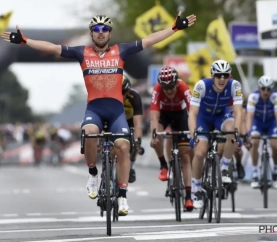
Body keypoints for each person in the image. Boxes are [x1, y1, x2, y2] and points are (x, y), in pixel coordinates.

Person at [1, 12, 196, 216]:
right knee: (90, 131)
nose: (100, 33)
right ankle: (93, 173)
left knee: (123, 146)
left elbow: (149, 40)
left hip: (116, 111)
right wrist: (24, 41)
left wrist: (174, 28)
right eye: (96, 30)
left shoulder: (121, 50)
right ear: (91, 34)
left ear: (109, 33)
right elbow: (52, 47)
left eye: (104, 29)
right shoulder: (81, 53)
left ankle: (122, 196)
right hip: (95, 109)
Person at [188, 60, 243, 209]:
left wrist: (237, 131)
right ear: (213, 76)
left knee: (232, 131)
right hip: (203, 118)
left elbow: (238, 111)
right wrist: (194, 133)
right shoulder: (201, 85)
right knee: (200, 152)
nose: (222, 79)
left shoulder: (234, 85)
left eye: (225, 75)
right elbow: (192, 113)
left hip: (221, 116)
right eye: (219, 75)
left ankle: (224, 167)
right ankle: (197, 188)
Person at [150, 65, 194, 211]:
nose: (168, 91)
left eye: (171, 87)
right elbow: (154, 117)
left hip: (181, 115)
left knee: (185, 156)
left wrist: (194, 131)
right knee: (156, 138)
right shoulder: (157, 89)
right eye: (165, 87)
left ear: (176, 83)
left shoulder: (183, 87)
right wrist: (154, 134)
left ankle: (188, 196)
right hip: (164, 115)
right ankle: (163, 165)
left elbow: (192, 110)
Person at [246, 75, 277, 189]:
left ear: (272, 90)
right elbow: (250, 116)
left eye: (268, 89)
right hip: (258, 123)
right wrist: (248, 132)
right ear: (259, 87)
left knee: (275, 145)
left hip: (271, 123)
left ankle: (276, 172)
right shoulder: (253, 97)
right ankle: (255, 173)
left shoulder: (275, 97)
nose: (265, 92)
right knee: (254, 143)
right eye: (263, 88)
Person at [122, 75, 143, 183]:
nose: (122, 96)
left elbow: (138, 123)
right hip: (116, 120)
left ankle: (132, 166)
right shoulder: (111, 97)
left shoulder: (134, 96)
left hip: (131, 121)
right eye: (119, 93)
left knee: (135, 143)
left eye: (124, 92)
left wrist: (138, 141)